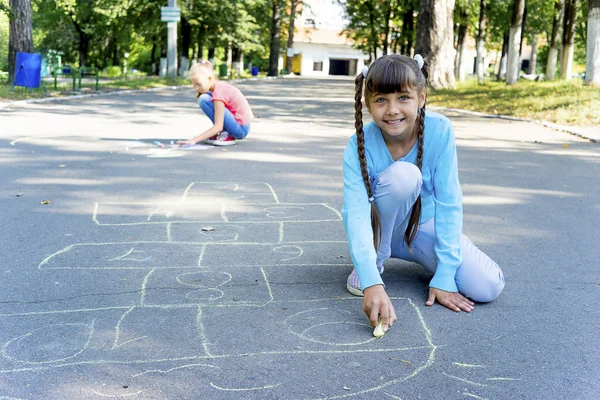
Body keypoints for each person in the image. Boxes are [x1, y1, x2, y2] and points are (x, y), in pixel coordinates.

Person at [342, 54, 505, 335]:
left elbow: (449, 202)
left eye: (403, 97)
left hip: (421, 228)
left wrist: (445, 273)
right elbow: (355, 213)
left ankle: (411, 254)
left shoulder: (439, 130)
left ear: (422, 96)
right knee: (406, 175)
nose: (392, 109)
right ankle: (377, 257)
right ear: (368, 104)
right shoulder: (359, 143)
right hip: (381, 229)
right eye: (381, 100)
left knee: (487, 286)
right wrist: (370, 280)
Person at [178, 61, 253, 146]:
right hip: (240, 126)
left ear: (209, 79)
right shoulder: (217, 88)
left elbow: (218, 126)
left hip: (240, 129)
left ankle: (227, 133)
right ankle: (224, 132)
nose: (196, 88)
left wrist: (194, 140)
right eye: (194, 85)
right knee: (204, 97)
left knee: (204, 99)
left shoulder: (219, 92)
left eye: (199, 84)